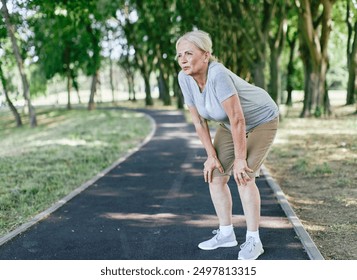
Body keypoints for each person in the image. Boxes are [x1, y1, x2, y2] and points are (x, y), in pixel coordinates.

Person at [176, 30, 279, 260]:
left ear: (206, 55)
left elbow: (238, 119)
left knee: (244, 176)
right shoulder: (184, 78)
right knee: (215, 174)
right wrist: (211, 155)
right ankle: (226, 234)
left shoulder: (217, 74)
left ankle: (254, 240)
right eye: (179, 54)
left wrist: (241, 160)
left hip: (262, 119)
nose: (183, 59)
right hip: (229, 124)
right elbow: (198, 121)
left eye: (189, 53)